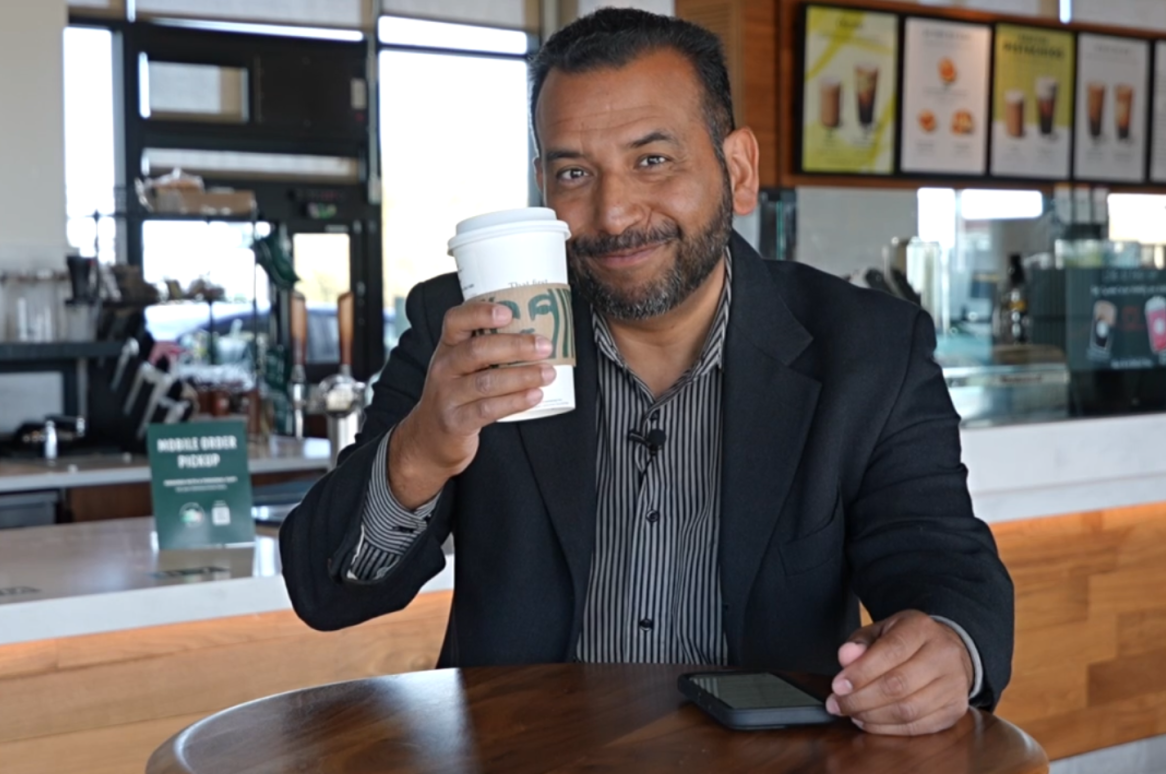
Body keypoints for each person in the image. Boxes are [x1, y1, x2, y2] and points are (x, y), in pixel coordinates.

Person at [281, 8, 1013, 737]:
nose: (614, 211)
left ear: (737, 170)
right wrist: (420, 451)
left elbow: (940, 560)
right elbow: (325, 592)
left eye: (652, 160)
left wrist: (945, 647)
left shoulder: (866, 349)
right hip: (529, 758)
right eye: (574, 172)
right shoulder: (472, 324)